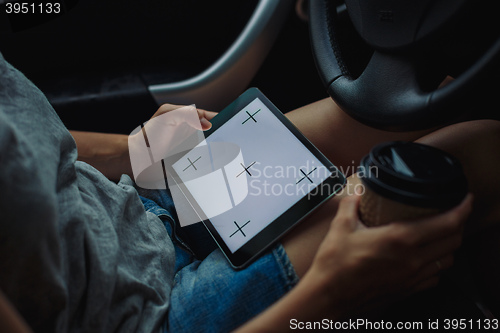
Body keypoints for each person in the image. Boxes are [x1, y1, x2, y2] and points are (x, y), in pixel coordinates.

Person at [0, 49, 498, 333]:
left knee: (413, 103)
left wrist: (132, 150)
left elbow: (25, 139)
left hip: (138, 203)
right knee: (474, 154)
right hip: (161, 317)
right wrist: (328, 297)